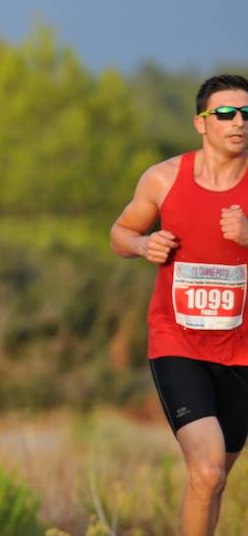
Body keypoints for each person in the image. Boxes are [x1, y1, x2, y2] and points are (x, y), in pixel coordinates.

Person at [111, 74, 248, 536]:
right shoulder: (164, 178)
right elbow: (119, 233)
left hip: (243, 351)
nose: (238, 123)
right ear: (200, 122)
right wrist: (143, 244)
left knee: (216, 478)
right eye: (225, 113)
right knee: (207, 470)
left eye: (247, 114)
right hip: (178, 343)